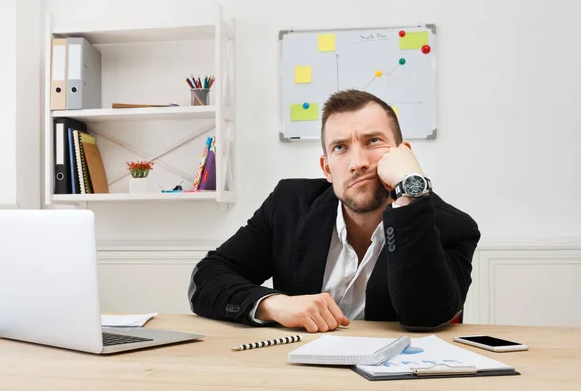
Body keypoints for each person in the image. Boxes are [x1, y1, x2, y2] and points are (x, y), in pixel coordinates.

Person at [188, 89, 480, 332]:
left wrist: (408, 193)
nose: (358, 162)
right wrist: (274, 304)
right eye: (340, 147)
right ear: (327, 169)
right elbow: (207, 278)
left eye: (373, 141)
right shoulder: (288, 205)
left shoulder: (453, 227)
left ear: (403, 153)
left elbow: (426, 316)